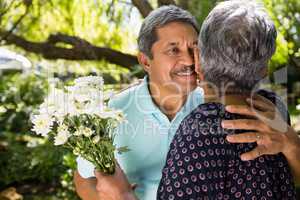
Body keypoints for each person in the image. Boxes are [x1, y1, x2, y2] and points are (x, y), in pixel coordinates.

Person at [74, 4, 300, 200]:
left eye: (195, 49)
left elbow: (280, 177)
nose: (189, 60)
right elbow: (84, 180)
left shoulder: (239, 106)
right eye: (174, 50)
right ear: (145, 60)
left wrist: (291, 142)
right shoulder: (111, 113)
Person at [157, 1, 297, 199]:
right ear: (264, 68)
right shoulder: (274, 110)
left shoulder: (196, 133)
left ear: (198, 58)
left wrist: (122, 193)